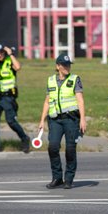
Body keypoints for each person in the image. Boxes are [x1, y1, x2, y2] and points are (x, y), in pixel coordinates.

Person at [38, 53, 86, 189]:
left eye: (68, 65)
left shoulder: (75, 79)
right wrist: (42, 120)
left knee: (70, 149)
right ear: (58, 66)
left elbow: (80, 100)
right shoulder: (50, 80)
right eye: (64, 65)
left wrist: (83, 119)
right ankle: (57, 178)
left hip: (71, 119)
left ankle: (69, 179)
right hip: (55, 120)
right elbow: (47, 101)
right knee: (53, 147)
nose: (67, 67)